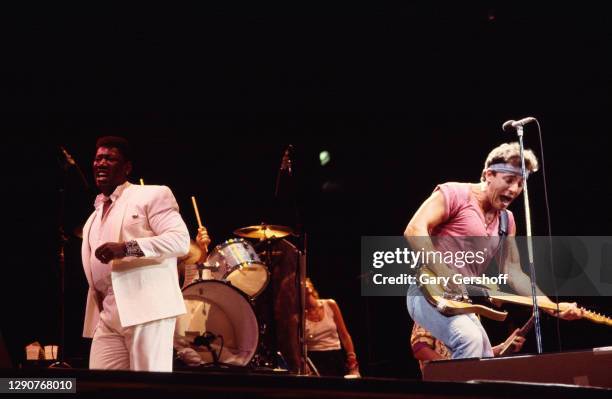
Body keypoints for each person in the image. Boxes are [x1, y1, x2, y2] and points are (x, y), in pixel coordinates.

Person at [405, 142, 583, 359]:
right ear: (489, 174)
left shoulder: (506, 221)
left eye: (520, 183)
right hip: (426, 291)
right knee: (468, 339)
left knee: (484, 355)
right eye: (509, 180)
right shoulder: (455, 193)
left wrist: (551, 306)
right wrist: (443, 271)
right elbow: (414, 229)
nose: (514, 190)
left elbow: (513, 272)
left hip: (461, 300)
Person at [81, 136, 190, 371]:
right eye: (98, 158)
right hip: (108, 313)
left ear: (126, 167)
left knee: (147, 387)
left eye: (109, 158)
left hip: (146, 308)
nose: (100, 163)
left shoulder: (151, 195)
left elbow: (180, 241)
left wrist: (125, 248)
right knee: (100, 384)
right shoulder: (94, 216)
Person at [411, 322, 525, 375]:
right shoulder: (430, 308)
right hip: (443, 387)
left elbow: (475, 357)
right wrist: (456, 370)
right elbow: (420, 349)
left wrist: (503, 347)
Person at [305, 278, 360, 377]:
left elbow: (344, 335)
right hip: (313, 358)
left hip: (335, 356)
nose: (303, 284)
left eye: (304, 281)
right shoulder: (298, 314)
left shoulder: (330, 304)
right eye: (299, 283)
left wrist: (352, 362)